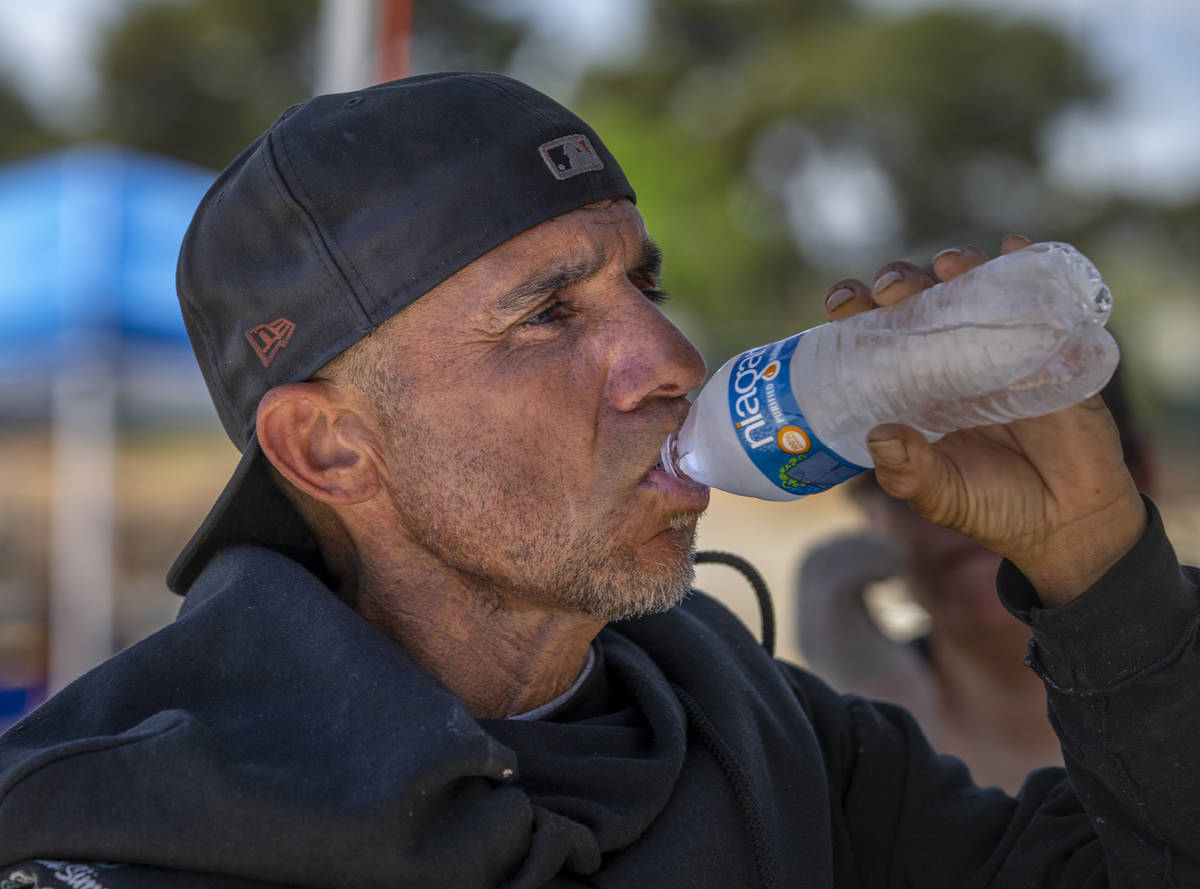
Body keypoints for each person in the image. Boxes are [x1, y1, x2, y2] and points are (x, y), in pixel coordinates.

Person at [0, 72, 1196, 889]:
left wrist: (1101, 565)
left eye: (647, 291)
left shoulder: (750, 725)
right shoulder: (119, 828)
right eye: (550, 313)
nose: (672, 364)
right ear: (330, 448)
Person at [795, 370, 1156, 793]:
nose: (973, 511)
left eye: (1021, 457)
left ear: (1139, 476)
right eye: (912, 468)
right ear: (868, 514)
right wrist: (872, 734)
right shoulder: (826, 749)